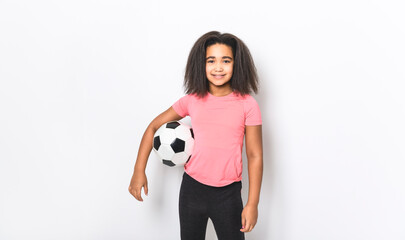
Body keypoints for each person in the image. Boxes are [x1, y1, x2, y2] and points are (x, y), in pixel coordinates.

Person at [129, 31, 263, 240]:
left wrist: (252, 203)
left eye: (225, 60)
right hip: (192, 191)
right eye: (211, 61)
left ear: (237, 64)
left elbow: (255, 155)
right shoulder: (191, 100)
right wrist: (139, 170)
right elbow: (153, 127)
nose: (218, 67)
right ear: (201, 64)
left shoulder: (248, 105)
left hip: (228, 196)